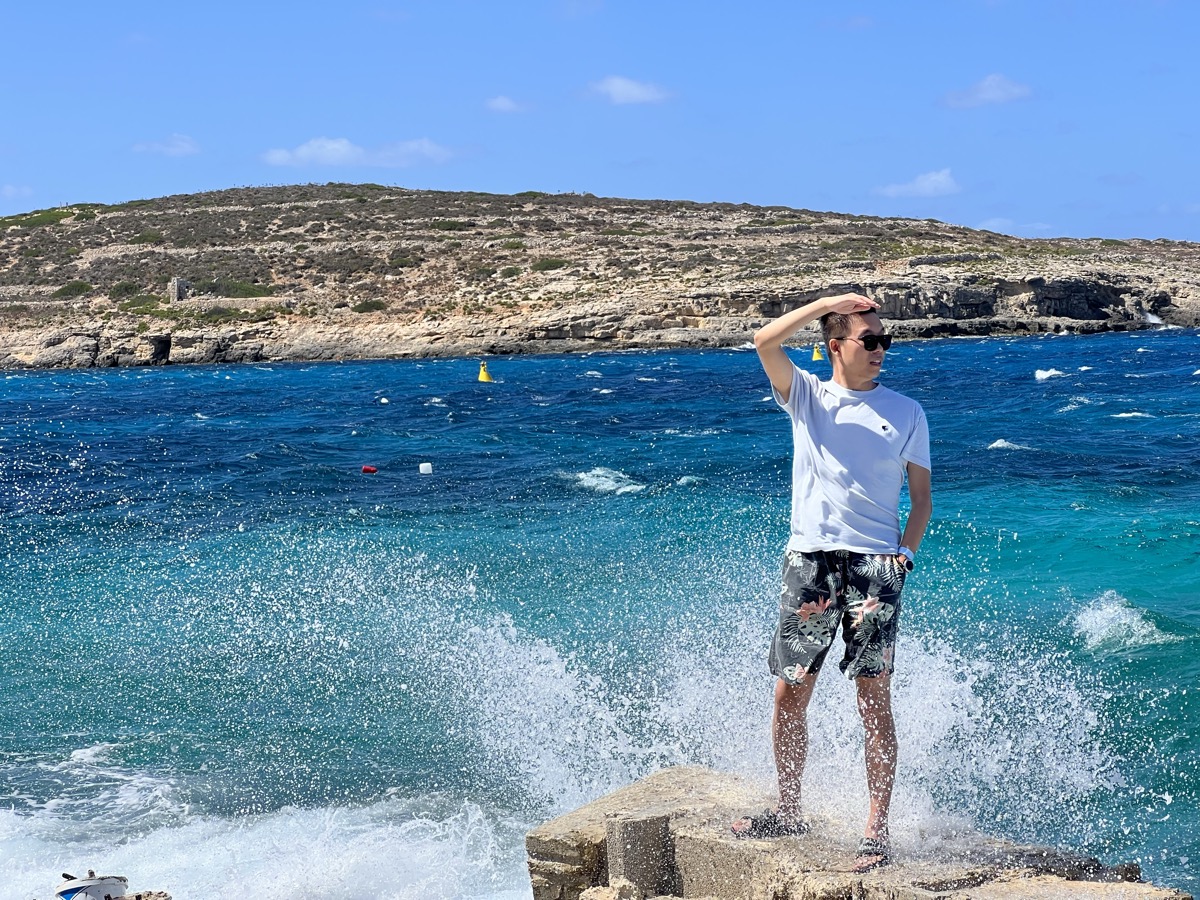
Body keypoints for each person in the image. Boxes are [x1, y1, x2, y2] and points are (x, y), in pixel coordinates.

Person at [732, 292, 932, 873]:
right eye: (869, 340)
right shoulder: (808, 396)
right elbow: (764, 342)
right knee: (790, 689)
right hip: (811, 562)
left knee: (873, 696)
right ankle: (789, 810)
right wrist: (824, 302)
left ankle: (876, 830)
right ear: (834, 347)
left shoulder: (908, 411)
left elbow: (920, 499)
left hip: (876, 566)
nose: (880, 350)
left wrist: (903, 556)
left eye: (884, 340)